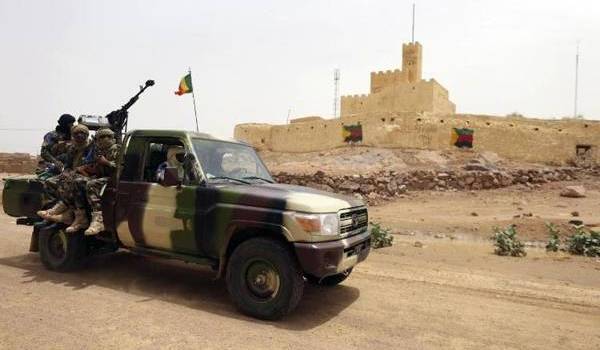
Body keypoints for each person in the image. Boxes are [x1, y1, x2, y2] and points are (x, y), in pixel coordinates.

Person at [37, 124, 92, 227]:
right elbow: (67, 165)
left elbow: (91, 166)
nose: (79, 135)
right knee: (50, 182)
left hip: (86, 175)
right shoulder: (72, 148)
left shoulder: (91, 147)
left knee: (71, 184)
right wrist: (65, 172)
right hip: (72, 173)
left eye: (82, 133)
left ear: (87, 134)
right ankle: (51, 212)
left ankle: (69, 212)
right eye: (76, 133)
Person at [84, 128, 120, 235]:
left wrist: (107, 162)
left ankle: (98, 219)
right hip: (103, 177)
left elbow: (120, 167)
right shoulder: (99, 151)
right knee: (77, 181)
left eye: (109, 136)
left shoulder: (117, 149)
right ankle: (79, 214)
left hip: (115, 178)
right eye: (102, 137)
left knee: (91, 184)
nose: (106, 139)